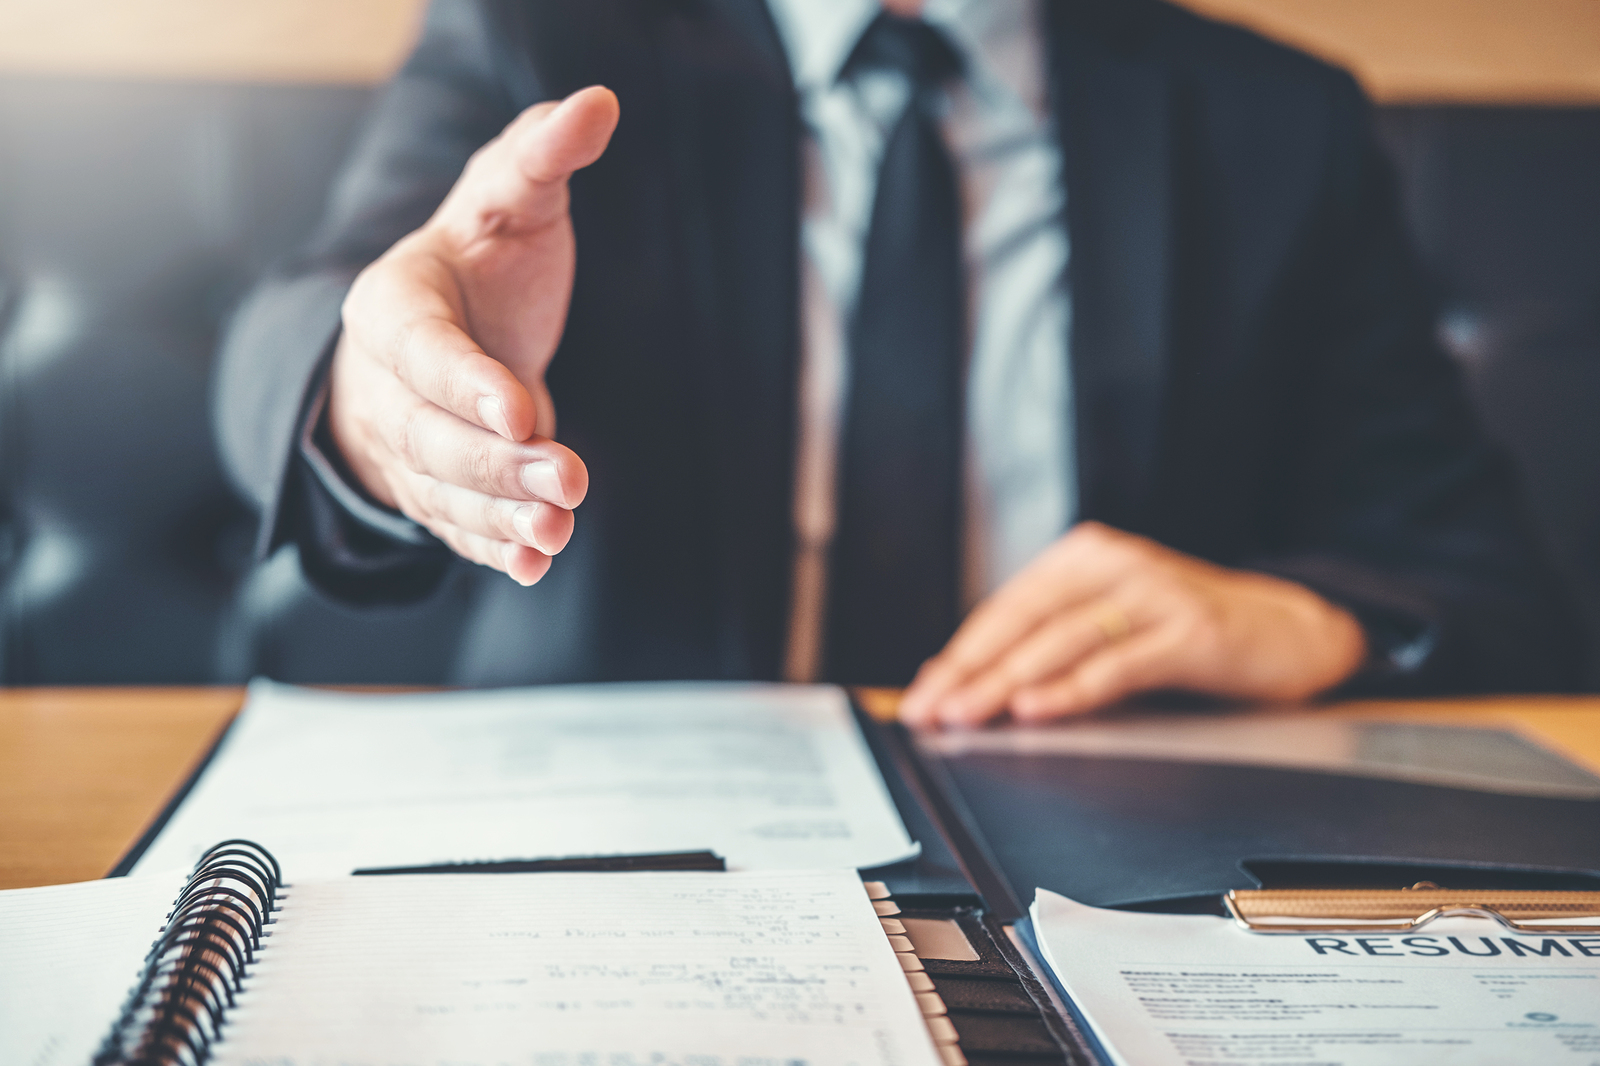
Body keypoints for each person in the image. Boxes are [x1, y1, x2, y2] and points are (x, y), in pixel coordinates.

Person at [215, 0, 1582, 725]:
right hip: (623, 830)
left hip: (1115, 852)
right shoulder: (544, 35)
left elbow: (1478, 581)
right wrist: (386, 402)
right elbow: (330, 314)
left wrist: (1301, 619)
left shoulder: (1276, 119)